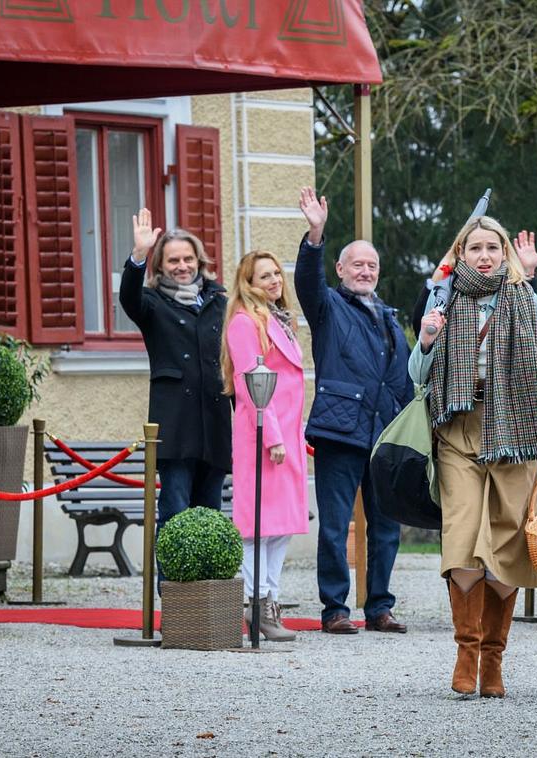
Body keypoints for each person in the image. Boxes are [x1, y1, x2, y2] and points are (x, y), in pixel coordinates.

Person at [410, 215, 537, 698]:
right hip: (458, 427)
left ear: (504, 253)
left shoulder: (524, 301)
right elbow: (415, 375)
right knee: (460, 537)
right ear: (460, 254)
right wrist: (425, 340)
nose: (484, 255)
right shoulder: (444, 298)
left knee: (507, 543)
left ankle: (494, 660)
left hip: (515, 431)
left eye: (492, 247)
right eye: (475, 247)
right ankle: (466, 651)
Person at [295, 187, 414, 635]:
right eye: (357, 264)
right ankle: (335, 610)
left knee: (386, 527)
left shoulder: (388, 317)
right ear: (341, 269)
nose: (365, 271)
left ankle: (380, 606)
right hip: (339, 430)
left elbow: (400, 380)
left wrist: (408, 427)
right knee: (334, 524)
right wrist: (316, 234)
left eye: (372, 265)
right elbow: (306, 279)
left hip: (384, 435)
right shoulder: (326, 305)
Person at [120, 209, 231, 584]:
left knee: (211, 514)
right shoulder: (152, 303)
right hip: (175, 424)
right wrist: (138, 255)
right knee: (174, 512)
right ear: (161, 266)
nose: (182, 266)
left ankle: (208, 593)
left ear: (199, 260)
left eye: (187, 259)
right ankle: (173, 594)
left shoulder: (219, 300)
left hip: (214, 422)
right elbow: (128, 299)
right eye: (173, 260)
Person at [221, 250, 309, 643]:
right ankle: (256, 603)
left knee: (282, 525)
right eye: (264, 276)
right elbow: (249, 380)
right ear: (248, 283)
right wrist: (272, 435)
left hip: (287, 433)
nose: (274, 280)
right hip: (263, 434)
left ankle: (271, 598)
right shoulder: (244, 321)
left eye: (276, 273)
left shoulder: (279, 320)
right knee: (258, 526)